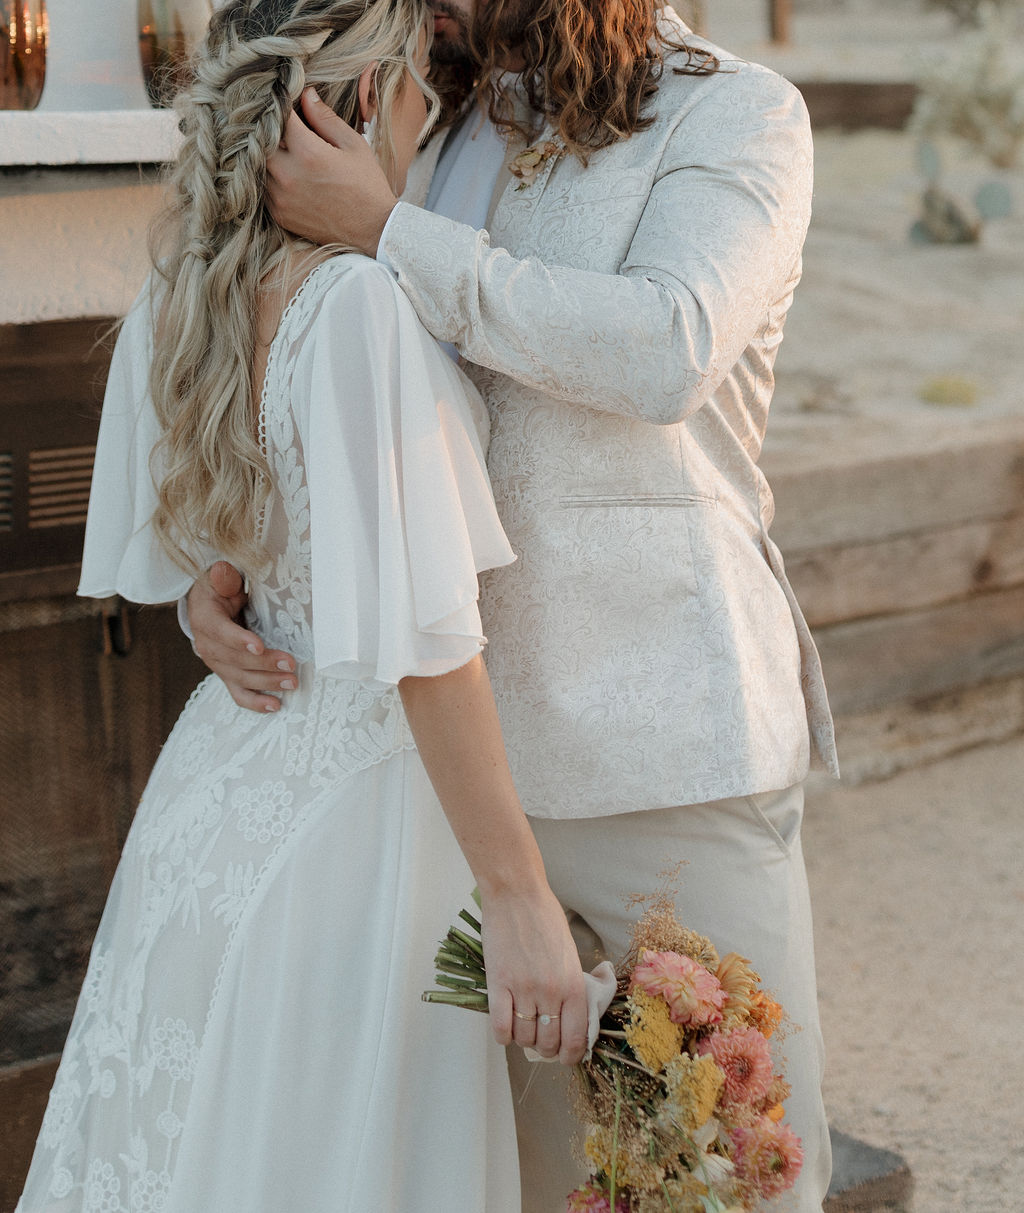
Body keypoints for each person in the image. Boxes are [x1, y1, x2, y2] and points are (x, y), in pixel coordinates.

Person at [186, 0, 844, 1209]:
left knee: (736, 1180)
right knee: (546, 1185)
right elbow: (356, 397)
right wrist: (238, 569)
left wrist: (390, 231)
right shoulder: (432, 120)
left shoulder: (737, 113)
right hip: (460, 792)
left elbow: (666, 347)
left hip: (671, 758)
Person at [16, 2, 591, 1211]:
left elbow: (194, 562)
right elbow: (430, 647)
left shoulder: (181, 285)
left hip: (214, 801)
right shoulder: (358, 312)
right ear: (369, 94)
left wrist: (199, 611)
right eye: (420, 80)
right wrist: (521, 898)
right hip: (361, 832)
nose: (433, 106)